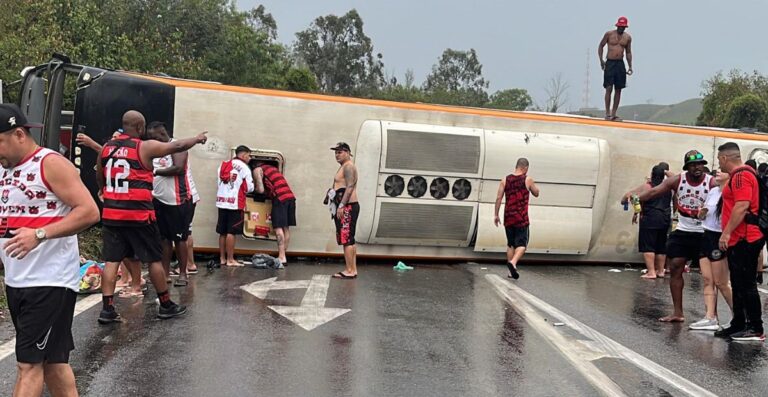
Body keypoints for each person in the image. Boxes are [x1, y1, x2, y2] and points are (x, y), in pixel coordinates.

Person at [0, 104, 100, 396]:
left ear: (19, 134)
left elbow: (90, 211)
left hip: (49, 281)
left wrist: (40, 234)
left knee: (28, 366)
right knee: (54, 362)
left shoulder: (50, 163)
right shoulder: (5, 169)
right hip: (18, 279)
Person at [97, 110, 207, 324]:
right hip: (138, 214)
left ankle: (107, 308)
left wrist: (104, 192)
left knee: (112, 260)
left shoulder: (106, 148)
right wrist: (197, 138)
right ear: (139, 128)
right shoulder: (143, 147)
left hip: (112, 213)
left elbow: (99, 175)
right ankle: (165, 304)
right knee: (154, 259)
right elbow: (176, 146)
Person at [638, 150, 712, 323]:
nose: (698, 167)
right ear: (687, 167)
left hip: (704, 232)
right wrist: (635, 198)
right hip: (683, 231)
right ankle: (678, 312)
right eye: (693, 165)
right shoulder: (678, 180)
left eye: (700, 164)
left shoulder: (712, 182)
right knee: (676, 267)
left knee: (709, 276)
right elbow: (654, 191)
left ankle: (711, 316)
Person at [76, 131, 145, 297]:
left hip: (125, 207)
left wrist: (91, 143)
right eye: (112, 137)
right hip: (115, 205)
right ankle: (129, 279)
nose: (113, 141)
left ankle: (135, 281)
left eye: (116, 137)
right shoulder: (112, 155)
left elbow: (106, 152)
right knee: (120, 250)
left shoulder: (129, 153)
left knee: (125, 250)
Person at [714, 142, 764, 341]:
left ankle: (755, 327)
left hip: (745, 238)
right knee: (738, 282)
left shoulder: (741, 176)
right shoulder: (740, 175)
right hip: (739, 238)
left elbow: (742, 206)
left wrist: (726, 233)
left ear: (725, 158)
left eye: (719, 160)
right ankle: (739, 323)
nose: (719, 164)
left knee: (746, 283)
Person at [146, 121, 193, 287]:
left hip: (178, 200)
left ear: (161, 133)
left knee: (180, 238)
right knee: (164, 239)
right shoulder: (156, 150)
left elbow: (178, 168)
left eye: (153, 136)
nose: (151, 140)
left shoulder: (177, 146)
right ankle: (164, 273)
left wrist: (155, 171)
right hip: (159, 199)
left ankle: (183, 273)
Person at [689, 169, 733, 331]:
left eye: (722, 171)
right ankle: (710, 317)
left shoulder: (730, 193)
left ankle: (740, 315)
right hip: (706, 235)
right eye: (717, 171)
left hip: (719, 238)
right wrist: (701, 213)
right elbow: (704, 215)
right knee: (708, 279)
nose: (718, 172)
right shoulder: (713, 191)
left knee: (721, 282)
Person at [622, 165, 671, 279]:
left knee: (648, 246)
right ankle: (660, 271)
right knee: (661, 246)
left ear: (652, 174)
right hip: (664, 218)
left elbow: (632, 196)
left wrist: (625, 201)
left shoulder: (647, 186)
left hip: (650, 218)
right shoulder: (668, 187)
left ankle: (651, 272)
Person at [494, 157, 540, 279]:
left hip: (508, 216)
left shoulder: (505, 179)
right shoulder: (527, 179)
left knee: (510, 245)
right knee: (522, 245)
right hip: (521, 217)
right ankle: (513, 263)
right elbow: (536, 193)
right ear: (525, 168)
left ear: (516, 166)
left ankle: (510, 271)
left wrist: (496, 214)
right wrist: (533, 186)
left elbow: (499, 198)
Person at [251, 159, 296, 264]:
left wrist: (253, 189)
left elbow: (260, 189)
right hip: (290, 197)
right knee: (286, 228)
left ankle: (281, 257)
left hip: (279, 198)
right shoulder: (274, 169)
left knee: (278, 228)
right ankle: (283, 255)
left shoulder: (257, 169)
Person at [215, 145, 254, 267]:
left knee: (222, 232)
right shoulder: (244, 168)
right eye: (249, 155)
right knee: (231, 231)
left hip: (222, 201)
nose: (250, 158)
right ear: (243, 155)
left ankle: (222, 258)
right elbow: (249, 187)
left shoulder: (223, 164)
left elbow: (219, 182)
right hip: (235, 203)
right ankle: (230, 259)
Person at [329, 142, 359, 279]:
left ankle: (350, 270)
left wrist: (341, 205)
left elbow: (350, 186)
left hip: (348, 206)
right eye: (335, 152)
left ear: (347, 152)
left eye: (340, 152)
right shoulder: (343, 167)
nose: (337, 155)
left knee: (346, 239)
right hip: (345, 206)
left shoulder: (348, 167)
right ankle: (352, 269)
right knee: (349, 239)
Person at [598, 16, 633, 121]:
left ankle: (614, 113)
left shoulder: (627, 38)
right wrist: (601, 60)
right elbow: (601, 46)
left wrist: (630, 66)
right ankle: (607, 113)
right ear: (617, 25)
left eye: (623, 27)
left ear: (625, 27)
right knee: (609, 87)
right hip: (610, 63)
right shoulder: (609, 34)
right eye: (620, 26)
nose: (621, 28)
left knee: (618, 89)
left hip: (620, 64)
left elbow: (628, 52)